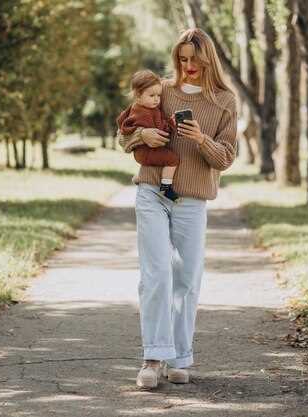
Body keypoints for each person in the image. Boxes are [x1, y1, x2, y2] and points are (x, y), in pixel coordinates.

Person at [117, 28, 238, 389]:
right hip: (153, 192)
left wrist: (201, 139)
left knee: (186, 279)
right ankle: (152, 359)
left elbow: (227, 157)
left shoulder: (224, 101)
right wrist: (142, 137)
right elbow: (124, 135)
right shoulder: (162, 90)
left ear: (207, 60)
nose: (188, 66)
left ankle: (179, 358)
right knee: (155, 275)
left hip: (192, 200)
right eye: (182, 59)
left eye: (194, 60)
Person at [116, 70, 180, 202]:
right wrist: (170, 126)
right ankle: (166, 188)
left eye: (159, 95)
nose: (157, 99)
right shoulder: (142, 112)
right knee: (172, 159)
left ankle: (152, 181)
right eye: (152, 95)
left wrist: (169, 122)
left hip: (145, 152)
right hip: (146, 152)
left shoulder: (148, 108)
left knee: (168, 158)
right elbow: (157, 130)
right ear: (138, 96)